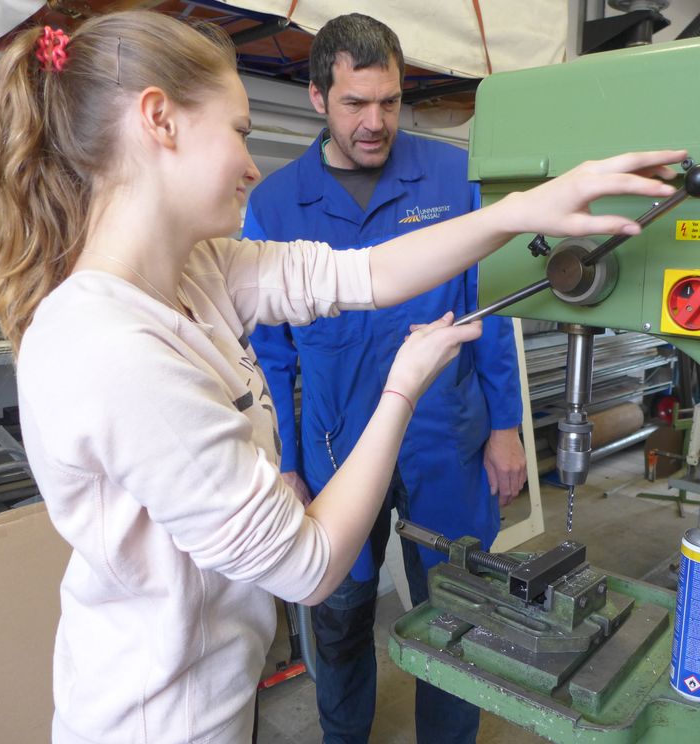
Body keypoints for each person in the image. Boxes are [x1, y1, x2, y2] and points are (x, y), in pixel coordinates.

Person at [0, 9, 684, 744]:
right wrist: (403, 388)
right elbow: (307, 564)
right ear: (160, 121)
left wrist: (528, 209)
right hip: (158, 718)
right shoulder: (110, 347)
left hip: (219, 685)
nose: (253, 165)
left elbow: (367, 272)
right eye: (241, 131)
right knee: (339, 617)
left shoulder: (199, 272)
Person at [244, 14, 525, 742]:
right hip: (336, 446)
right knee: (338, 612)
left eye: (390, 102)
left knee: (457, 613)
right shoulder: (275, 206)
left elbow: (487, 309)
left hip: (444, 440)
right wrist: (286, 465)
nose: (375, 123)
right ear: (316, 99)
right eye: (354, 104)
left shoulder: (450, 176)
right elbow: (270, 353)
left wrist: (504, 426)